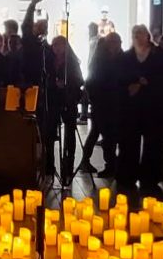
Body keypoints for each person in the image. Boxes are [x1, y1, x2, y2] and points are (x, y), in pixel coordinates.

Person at [116, 24, 163, 194]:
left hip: (153, 107)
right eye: (135, 34)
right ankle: (127, 176)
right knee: (128, 143)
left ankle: (150, 178)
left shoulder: (159, 55)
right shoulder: (126, 57)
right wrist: (130, 86)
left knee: (153, 144)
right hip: (131, 108)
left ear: (147, 36)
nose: (138, 37)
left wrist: (148, 83)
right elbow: (119, 78)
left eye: (140, 33)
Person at [79, 32, 123, 176]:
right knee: (106, 135)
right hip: (102, 103)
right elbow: (93, 81)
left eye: (117, 42)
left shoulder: (118, 58)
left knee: (99, 133)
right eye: (113, 42)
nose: (115, 45)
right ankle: (109, 164)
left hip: (113, 103)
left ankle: (88, 161)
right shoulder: (101, 59)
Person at [44, 35, 83, 181]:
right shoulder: (48, 61)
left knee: (69, 135)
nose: (57, 48)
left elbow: (80, 80)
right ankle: (49, 165)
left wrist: (66, 84)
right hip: (53, 100)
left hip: (68, 100)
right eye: (54, 45)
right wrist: (53, 84)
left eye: (59, 45)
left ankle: (68, 166)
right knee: (49, 133)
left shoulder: (72, 62)